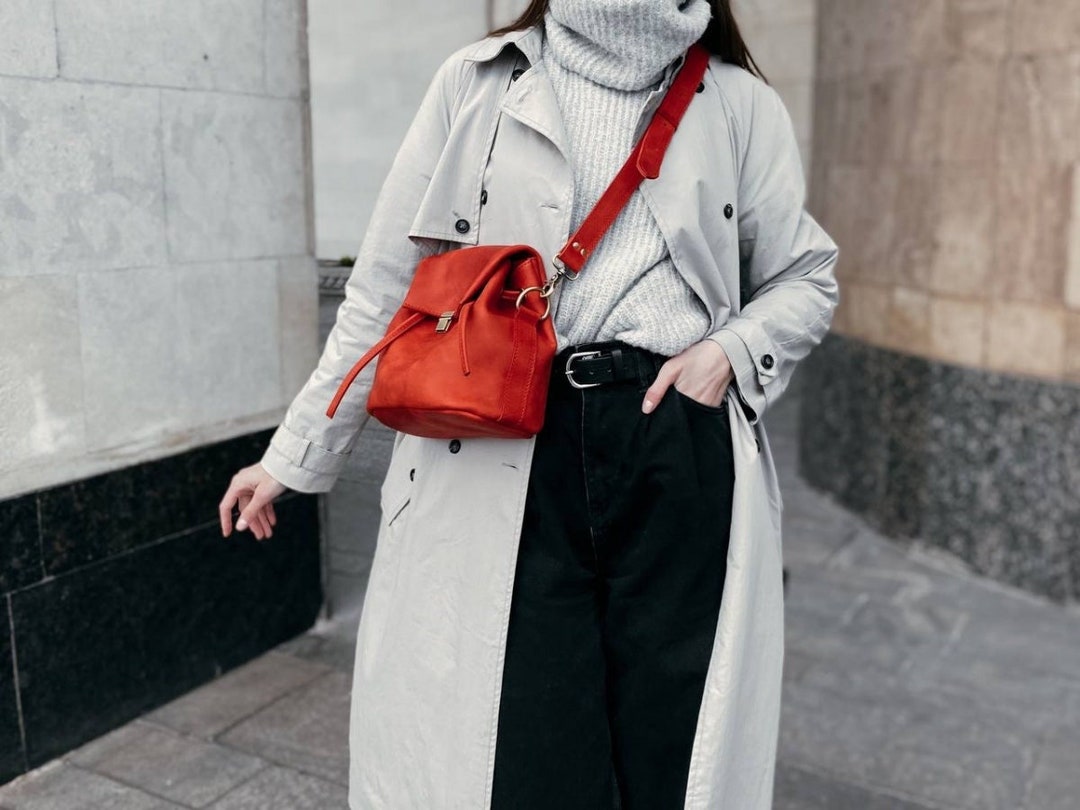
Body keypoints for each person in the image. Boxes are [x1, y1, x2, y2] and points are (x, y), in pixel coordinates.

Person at [219, 0, 839, 807]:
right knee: (522, 742)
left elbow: (805, 276)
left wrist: (725, 353)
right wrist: (294, 455)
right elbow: (385, 289)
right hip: (505, 440)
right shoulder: (479, 83)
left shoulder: (738, 103)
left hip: (673, 440)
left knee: (672, 740)